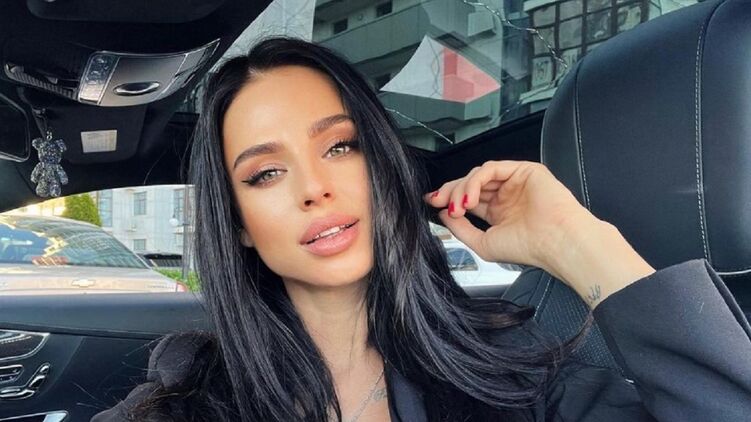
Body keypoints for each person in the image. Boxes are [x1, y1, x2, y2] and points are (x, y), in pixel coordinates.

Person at [91, 37, 751, 422]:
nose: (313, 187)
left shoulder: (520, 380)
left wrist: (577, 242)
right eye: (266, 173)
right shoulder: (187, 400)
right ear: (237, 224)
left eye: (341, 146)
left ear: (383, 168)